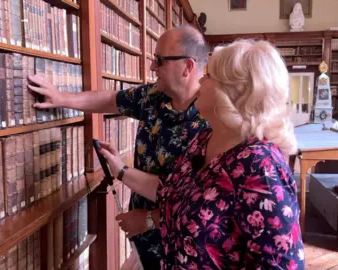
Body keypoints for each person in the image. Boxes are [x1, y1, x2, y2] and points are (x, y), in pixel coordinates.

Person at [99, 39, 305, 269]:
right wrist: (122, 172)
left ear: (231, 91)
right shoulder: (203, 141)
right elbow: (174, 197)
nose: (199, 80)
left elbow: (281, 264)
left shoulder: (260, 167)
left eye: (208, 75)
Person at [27, 25, 210, 269]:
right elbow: (112, 100)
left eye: (159, 60)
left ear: (187, 66)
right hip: (144, 237)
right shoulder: (155, 96)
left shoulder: (212, 117)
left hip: (183, 245)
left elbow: (200, 198)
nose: (152, 67)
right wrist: (63, 99)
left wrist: (146, 216)